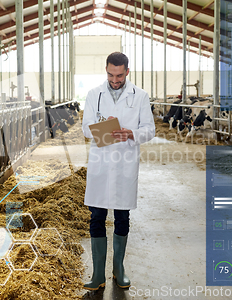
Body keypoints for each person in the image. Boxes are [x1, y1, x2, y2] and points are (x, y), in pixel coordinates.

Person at [81, 52, 155, 290]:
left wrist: (131, 133)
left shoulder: (140, 96)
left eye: (119, 75)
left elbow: (150, 130)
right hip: (101, 165)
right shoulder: (94, 95)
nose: (115, 79)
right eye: (111, 74)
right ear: (106, 70)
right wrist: (105, 127)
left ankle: (118, 270)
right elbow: (85, 129)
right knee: (97, 217)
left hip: (125, 163)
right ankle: (98, 274)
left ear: (127, 72)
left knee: (122, 218)